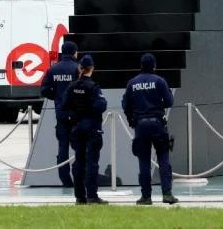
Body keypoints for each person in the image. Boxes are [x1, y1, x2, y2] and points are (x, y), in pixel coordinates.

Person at [121, 53, 179, 205]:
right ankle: (167, 194)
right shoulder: (159, 81)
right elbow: (169, 102)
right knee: (163, 159)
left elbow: (125, 105)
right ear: (154, 66)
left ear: (141, 66)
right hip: (158, 124)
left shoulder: (132, 83)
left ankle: (146, 196)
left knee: (144, 162)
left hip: (140, 125)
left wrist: (131, 119)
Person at [58, 54, 108, 205]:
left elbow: (63, 107)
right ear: (92, 68)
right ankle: (92, 195)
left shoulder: (72, 87)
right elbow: (101, 106)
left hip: (77, 127)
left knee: (78, 162)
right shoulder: (93, 87)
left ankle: (80, 196)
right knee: (92, 162)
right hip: (92, 127)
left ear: (80, 68)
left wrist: (73, 115)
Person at [39, 40, 79, 188]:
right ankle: (77, 175)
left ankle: (65, 180)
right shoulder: (77, 69)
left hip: (61, 114)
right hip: (76, 115)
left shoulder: (53, 69)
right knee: (79, 147)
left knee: (63, 148)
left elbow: (44, 90)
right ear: (74, 52)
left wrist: (56, 96)